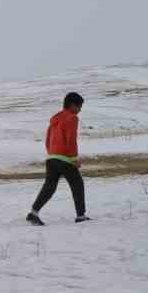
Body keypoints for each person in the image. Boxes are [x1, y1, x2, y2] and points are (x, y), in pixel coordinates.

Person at [28, 92, 89, 225]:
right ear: (72, 105)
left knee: (49, 187)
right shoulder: (72, 118)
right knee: (77, 184)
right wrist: (73, 158)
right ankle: (81, 216)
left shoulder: (54, 120)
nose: (80, 110)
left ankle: (33, 213)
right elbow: (71, 139)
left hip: (52, 157)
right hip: (65, 158)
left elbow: (48, 140)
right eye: (79, 106)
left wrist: (52, 154)